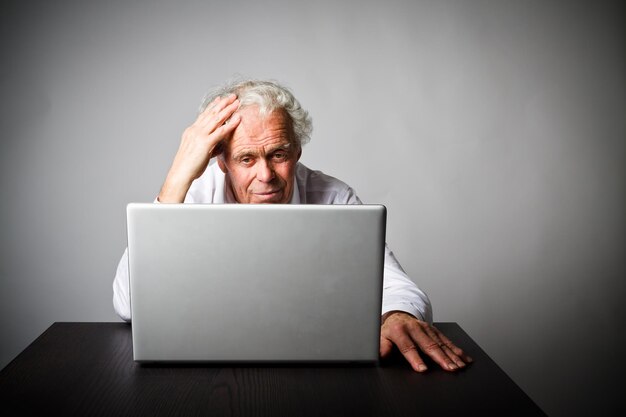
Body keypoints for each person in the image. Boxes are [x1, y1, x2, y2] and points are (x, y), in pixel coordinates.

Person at [112, 78, 472, 373]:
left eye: (278, 155)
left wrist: (394, 314)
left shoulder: (333, 196)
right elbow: (128, 304)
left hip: (316, 370)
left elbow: (394, 283)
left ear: (297, 151)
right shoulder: (192, 193)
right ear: (221, 162)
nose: (265, 175)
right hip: (205, 371)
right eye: (246, 158)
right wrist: (177, 177)